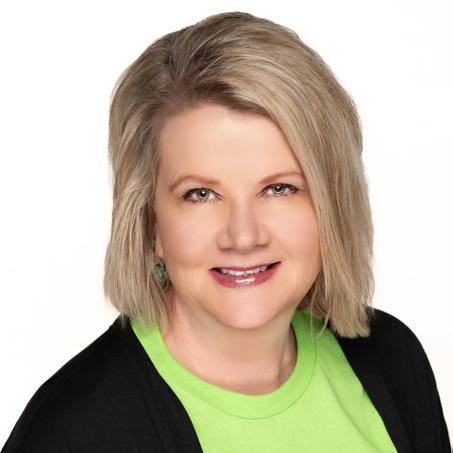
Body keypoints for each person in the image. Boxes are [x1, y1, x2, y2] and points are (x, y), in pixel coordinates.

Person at [2, 11, 450, 453]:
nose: (243, 236)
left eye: (279, 188)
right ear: (150, 221)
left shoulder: (391, 358)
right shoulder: (74, 434)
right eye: (200, 194)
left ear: (332, 205)